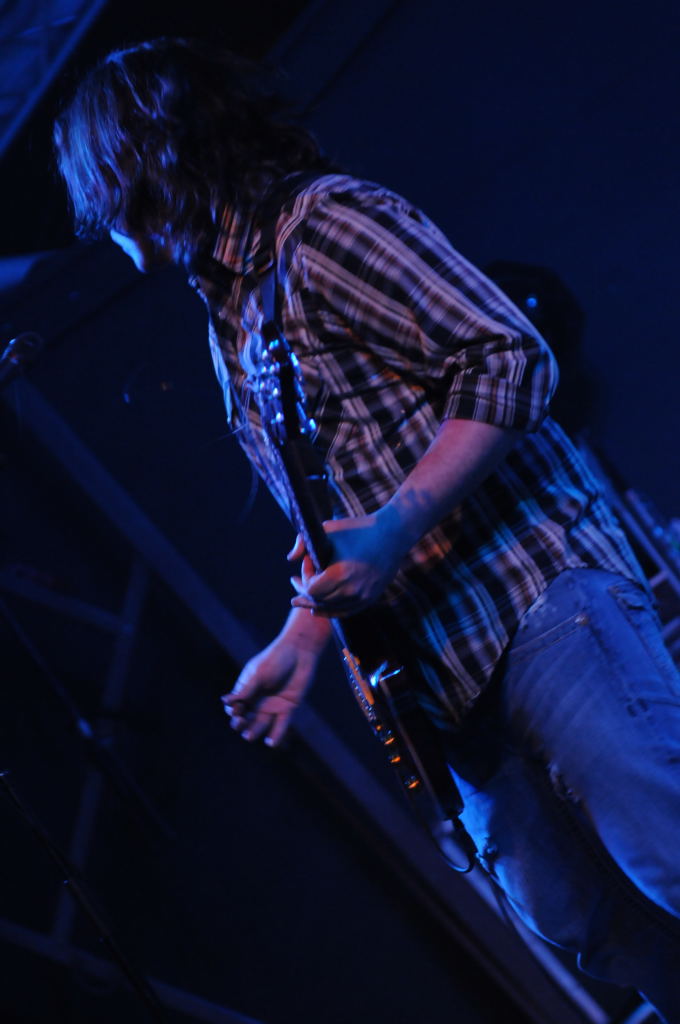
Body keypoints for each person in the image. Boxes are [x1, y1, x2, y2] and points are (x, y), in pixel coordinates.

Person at [54, 37, 680, 1022]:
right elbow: (340, 508)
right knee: (599, 928)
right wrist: (303, 636)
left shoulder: (327, 223)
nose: (98, 223)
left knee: (668, 857)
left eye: (97, 189)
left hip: (535, 600)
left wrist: (391, 533)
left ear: (148, 160)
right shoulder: (230, 323)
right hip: (441, 688)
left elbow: (509, 357)